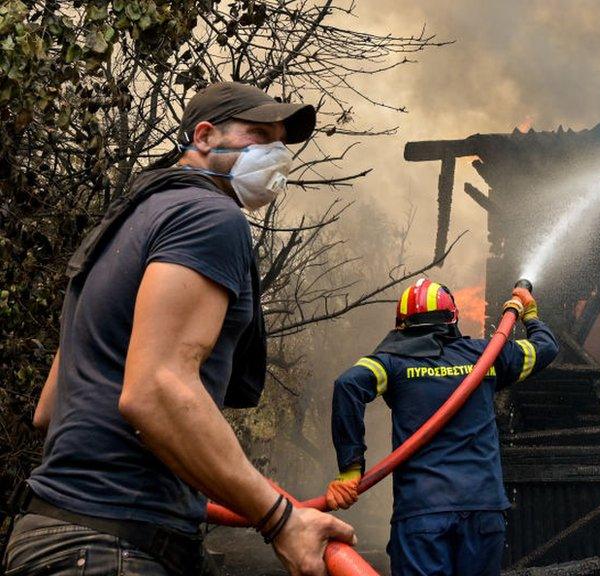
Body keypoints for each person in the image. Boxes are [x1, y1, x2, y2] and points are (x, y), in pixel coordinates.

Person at [3, 82, 354, 576]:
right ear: (205, 136)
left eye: (279, 143)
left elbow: (48, 410)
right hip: (115, 547)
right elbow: (156, 391)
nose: (274, 156)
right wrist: (281, 520)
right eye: (258, 135)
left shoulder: (122, 226)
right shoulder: (208, 216)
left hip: (48, 535)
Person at [326, 278, 559, 575]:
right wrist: (529, 314)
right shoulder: (486, 356)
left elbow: (347, 385)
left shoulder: (391, 363)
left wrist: (350, 471)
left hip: (422, 517)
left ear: (402, 324)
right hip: (483, 513)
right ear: (453, 318)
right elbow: (546, 347)